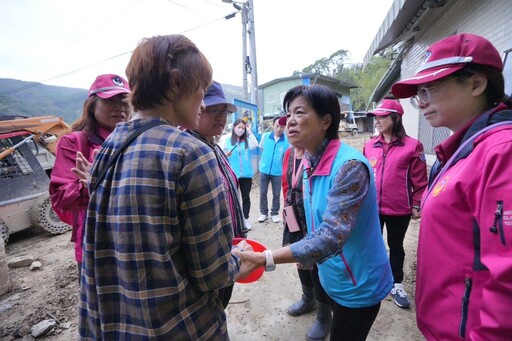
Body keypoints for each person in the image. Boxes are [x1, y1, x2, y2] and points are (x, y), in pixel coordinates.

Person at [78, 34, 251, 340]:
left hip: (117, 325)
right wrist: (241, 258)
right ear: (175, 82)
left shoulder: (110, 146)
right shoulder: (188, 152)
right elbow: (211, 273)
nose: (201, 101)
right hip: (179, 326)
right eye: (199, 88)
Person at [240, 84, 393, 340]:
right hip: (333, 274)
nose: (290, 121)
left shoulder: (349, 167)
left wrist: (265, 258)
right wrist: (302, 245)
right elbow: (303, 207)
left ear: (325, 121)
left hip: (357, 282)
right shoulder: (310, 159)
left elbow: (331, 236)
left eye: (299, 113)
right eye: (288, 114)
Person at [391, 33, 512, 339]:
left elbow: (507, 275)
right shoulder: (461, 149)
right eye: (419, 94)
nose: (422, 103)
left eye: (429, 89)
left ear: (476, 84)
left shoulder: (501, 152)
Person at [49, 74, 130, 276]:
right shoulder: (74, 143)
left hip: (134, 240)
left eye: (125, 101)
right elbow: (61, 198)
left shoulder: (136, 140)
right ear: (92, 105)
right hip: (96, 245)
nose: (120, 107)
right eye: (110, 100)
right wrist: (88, 186)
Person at [185, 80, 248, 308]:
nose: (221, 117)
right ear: (195, 109)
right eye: (213, 110)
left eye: (224, 111)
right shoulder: (188, 151)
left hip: (228, 248)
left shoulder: (214, 146)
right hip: (208, 257)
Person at [363, 99, 428, 309]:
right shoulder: (369, 145)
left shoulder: (413, 146)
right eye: (376, 117)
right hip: (372, 208)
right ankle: (373, 280)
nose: (377, 121)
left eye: (382, 116)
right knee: (371, 244)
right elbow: (363, 177)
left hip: (399, 208)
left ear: (396, 118)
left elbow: (420, 181)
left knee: (396, 246)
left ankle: (396, 283)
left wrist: (417, 203)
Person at [281, 144, 332, 341]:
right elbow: (287, 184)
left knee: (317, 262)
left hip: (312, 216)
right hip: (293, 213)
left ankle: (323, 315)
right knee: (298, 256)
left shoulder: (318, 153)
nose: (291, 126)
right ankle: (307, 298)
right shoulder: (289, 152)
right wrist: (285, 208)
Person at [224, 118, 258, 229]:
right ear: (234, 128)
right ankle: (235, 220)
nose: (241, 130)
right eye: (239, 127)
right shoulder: (228, 141)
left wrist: (250, 131)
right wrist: (226, 154)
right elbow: (222, 154)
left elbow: (255, 145)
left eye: (243, 128)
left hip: (247, 175)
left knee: (245, 197)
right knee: (233, 197)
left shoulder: (247, 141)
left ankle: (245, 219)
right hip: (233, 174)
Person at [258, 115, 289, 223]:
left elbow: (286, 157)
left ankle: (275, 213)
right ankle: (263, 213)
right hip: (264, 170)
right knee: (263, 192)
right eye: (277, 126)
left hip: (277, 172)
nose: (279, 129)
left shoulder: (286, 141)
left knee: (276, 193)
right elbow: (262, 149)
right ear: (273, 125)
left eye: (281, 127)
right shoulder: (265, 136)